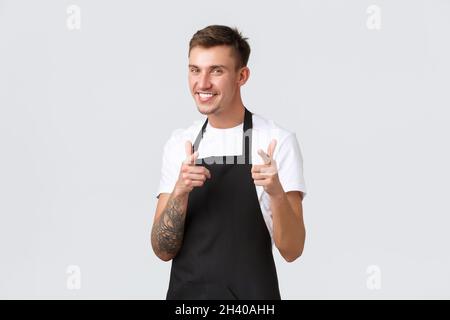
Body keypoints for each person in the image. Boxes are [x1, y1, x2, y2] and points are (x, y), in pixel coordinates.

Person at [151, 25, 307, 300]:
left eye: (217, 71)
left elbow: (292, 250)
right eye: (195, 70)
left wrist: (276, 192)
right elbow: (162, 250)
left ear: (242, 76)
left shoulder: (275, 140)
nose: (202, 84)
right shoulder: (180, 143)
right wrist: (180, 191)